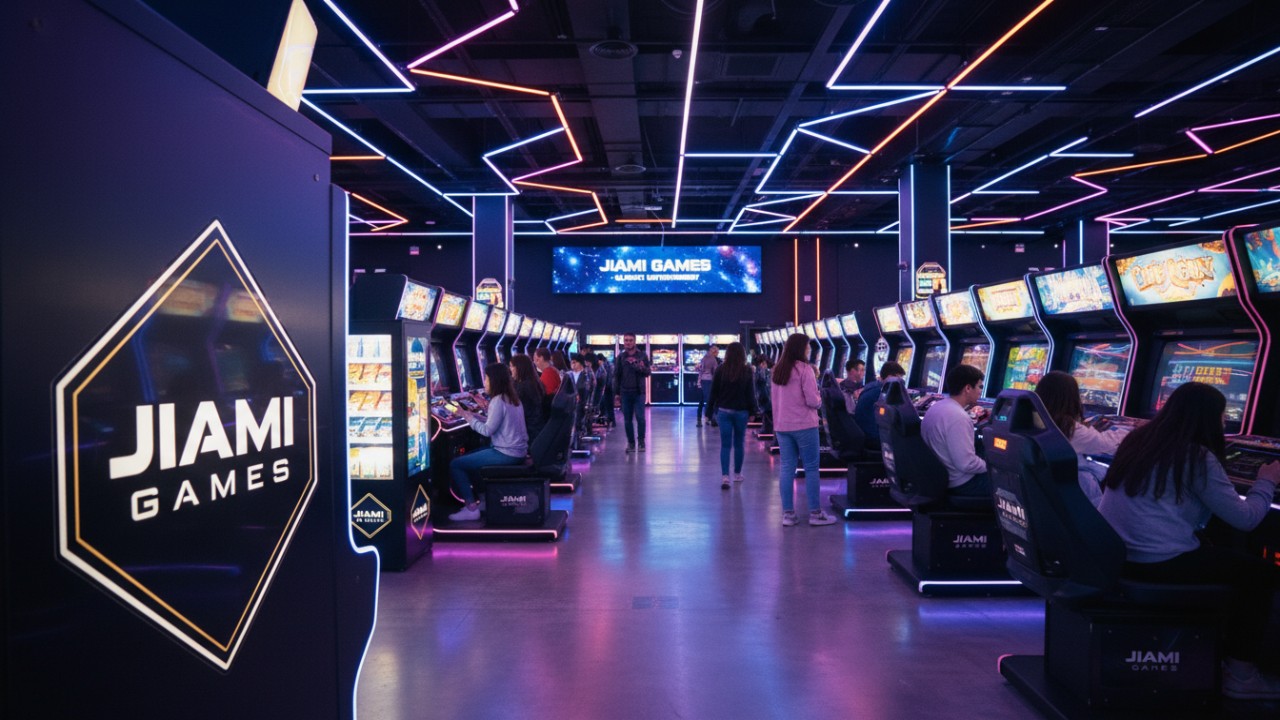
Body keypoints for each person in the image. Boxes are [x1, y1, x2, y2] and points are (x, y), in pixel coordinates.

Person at [1097, 382, 1280, 700]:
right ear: (1208, 418)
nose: (1225, 423)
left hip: (1118, 555)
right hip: (1158, 562)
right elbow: (1246, 519)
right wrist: (1266, 481)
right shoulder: (1196, 456)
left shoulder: (1138, 441)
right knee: (1261, 574)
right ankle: (1241, 674)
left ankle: (1220, 653)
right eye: (1222, 416)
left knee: (1222, 550)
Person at [1034, 370, 1129, 506]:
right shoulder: (1067, 427)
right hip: (1069, 498)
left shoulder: (1032, 418)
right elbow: (1107, 445)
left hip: (1043, 494)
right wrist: (1137, 431)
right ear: (1071, 397)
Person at [771, 332, 838, 527]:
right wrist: (820, 397)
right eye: (808, 346)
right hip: (804, 425)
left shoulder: (777, 370)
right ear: (801, 348)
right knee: (810, 468)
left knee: (786, 469)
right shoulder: (804, 370)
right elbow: (812, 401)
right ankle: (815, 514)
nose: (809, 349)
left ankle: (788, 515)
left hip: (783, 426)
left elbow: (775, 400)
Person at [447, 363, 528, 522]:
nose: (484, 382)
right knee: (471, 458)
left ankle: (471, 508)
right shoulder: (511, 397)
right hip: (517, 451)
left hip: (506, 453)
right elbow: (498, 423)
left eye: (486, 378)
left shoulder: (498, 400)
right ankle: (484, 501)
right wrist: (477, 414)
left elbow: (487, 431)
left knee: (456, 464)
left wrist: (466, 415)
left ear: (495, 380)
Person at [920, 364, 990, 499]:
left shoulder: (938, 407)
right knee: (1017, 484)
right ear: (968, 388)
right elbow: (967, 464)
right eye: (979, 387)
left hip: (940, 476)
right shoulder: (958, 417)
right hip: (961, 483)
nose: (981, 391)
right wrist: (993, 468)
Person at [707, 342, 758, 489]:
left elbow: (713, 392)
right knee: (739, 443)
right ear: (742, 354)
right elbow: (751, 393)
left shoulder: (721, 369)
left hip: (723, 411)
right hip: (741, 412)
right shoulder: (747, 370)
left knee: (725, 445)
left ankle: (724, 477)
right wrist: (754, 411)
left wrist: (709, 412)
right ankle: (737, 474)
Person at [852, 361, 906, 446]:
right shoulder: (882, 391)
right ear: (890, 377)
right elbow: (900, 415)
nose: (900, 383)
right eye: (899, 379)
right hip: (874, 438)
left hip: (866, 433)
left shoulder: (872, 386)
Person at [614, 333, 650, 452]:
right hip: (625, 392)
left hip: (639, 392)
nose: (628, 342)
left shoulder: (642, 355)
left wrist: (640, 367)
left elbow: (648, 372)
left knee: (640, 418)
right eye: (626, 340)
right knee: (627, 420)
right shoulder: (621, 357)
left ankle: (641, 442)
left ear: (635, 342)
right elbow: (617, 376)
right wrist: (617, 394)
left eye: (630, 340)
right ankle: (631, 443)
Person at [508, 354, 546, 441]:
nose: (510, 369)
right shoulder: (533, 382)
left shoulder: (523, 387)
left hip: (528, 431)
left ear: (519, 367)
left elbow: (513, 409)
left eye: (511, 366)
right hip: (536, 427)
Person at [695, 345, 721, 427]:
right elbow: (715, 372)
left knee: (702, 401)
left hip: (702, 380)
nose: (718, 354)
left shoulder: (704, 358)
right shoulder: (713, 360)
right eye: (717, 352)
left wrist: (699, 382)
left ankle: (699, 420)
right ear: (715, 352)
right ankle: (710, 419)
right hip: (709, 381)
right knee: (710, 400)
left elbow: (700, 370)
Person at [594, 353, 614, 428]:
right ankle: (611, 421)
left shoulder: (604, 366)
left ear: (600, 360)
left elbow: (601, 376)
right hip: (610, 387)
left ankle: (606, 420)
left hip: (606, 387)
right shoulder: (609, 364)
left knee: (605, 404)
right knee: (609, 406)